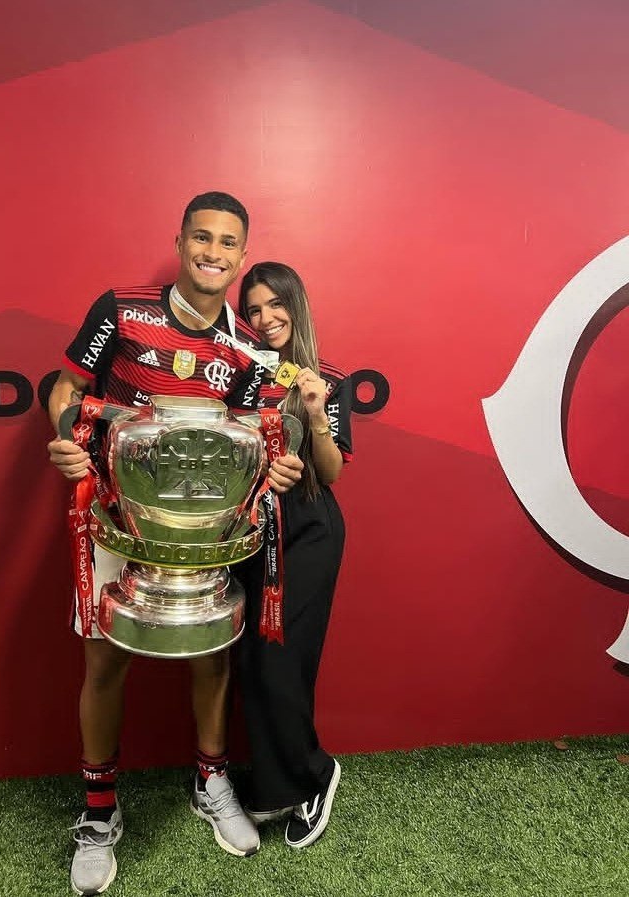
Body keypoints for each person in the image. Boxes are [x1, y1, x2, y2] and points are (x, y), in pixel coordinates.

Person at [46, 194, 303, 896]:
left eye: (228, 242)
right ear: (181, 240)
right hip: (114, 515)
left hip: (203, 530)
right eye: (202, 237)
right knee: (105, 660)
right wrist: (67, 441)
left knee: (213, 657)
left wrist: (278, 467)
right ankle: (100, 811)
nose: (213, 253)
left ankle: (210, 781)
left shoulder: (249, 346)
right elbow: (67, 388)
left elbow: (258, 432)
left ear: (242, 255)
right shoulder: (122, 310)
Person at [236, 261, 352, 849]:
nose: (264, 318)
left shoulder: (327, 379)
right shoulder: (238, 375)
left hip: (307, 532)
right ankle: (273, 784)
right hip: (248, 533)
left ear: (295, 304)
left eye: (274, 304)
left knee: (283, 661)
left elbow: (330, 473)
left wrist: (314, 415)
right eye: (253, 310)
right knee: (251, 661)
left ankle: (316, 774)